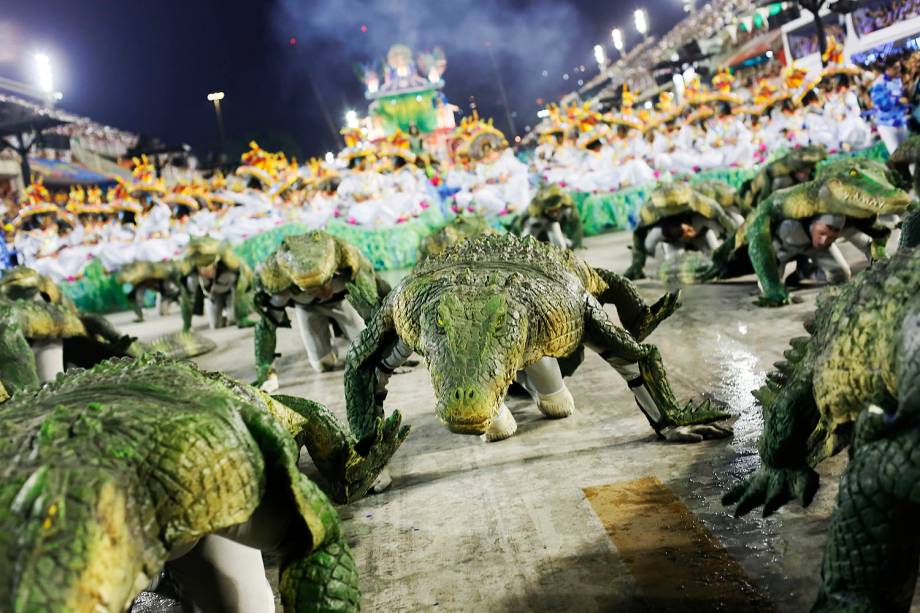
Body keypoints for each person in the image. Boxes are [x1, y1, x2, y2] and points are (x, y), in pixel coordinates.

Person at [870, 56, 910, 154]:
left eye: (899, 67)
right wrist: (897, 101)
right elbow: (881, 103)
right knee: (896, 154)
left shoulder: (897, 81)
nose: (898, 70)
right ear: (888, 69)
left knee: (907, 153)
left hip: (900, 122)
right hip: (886, 125)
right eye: (896, 68)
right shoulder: (878, 83)